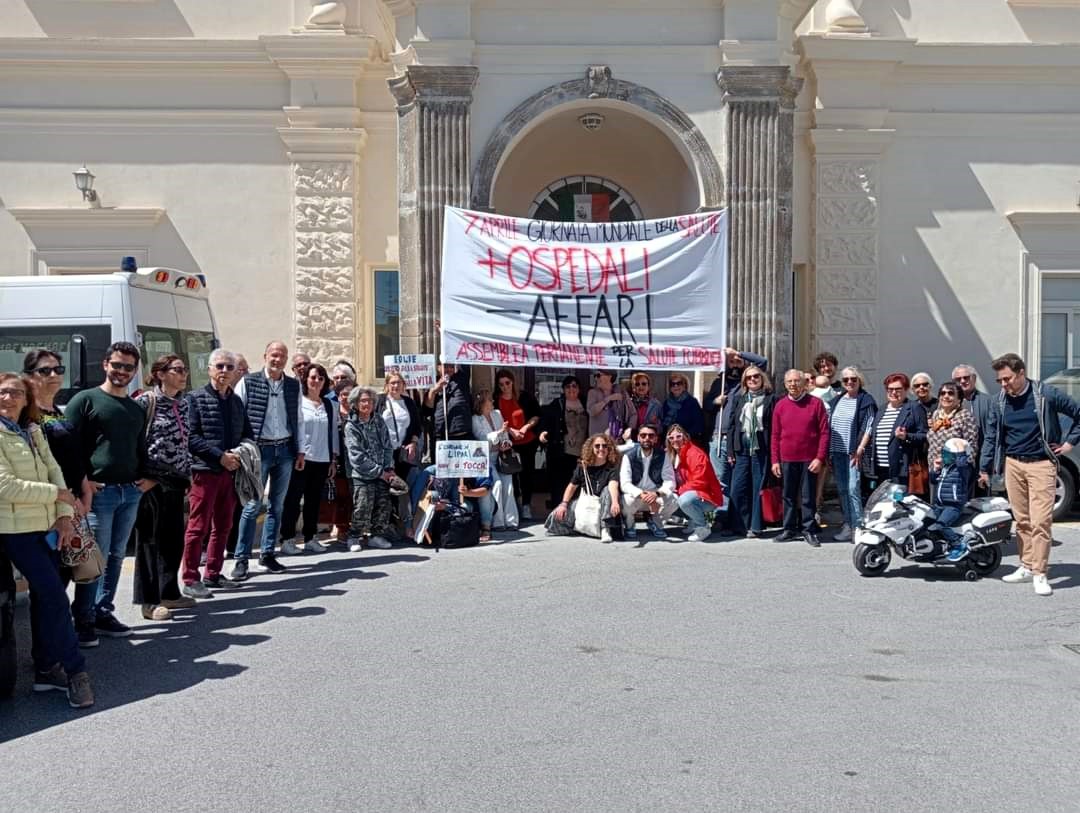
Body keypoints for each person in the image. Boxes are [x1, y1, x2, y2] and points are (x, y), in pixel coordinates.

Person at [0, 372, 94, 708]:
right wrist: (58, 495)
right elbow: (5, 486)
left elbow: (55, 470)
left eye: (15, 393)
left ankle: (45, 671)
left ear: (26, 399)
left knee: (48, 598)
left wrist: (64, 516)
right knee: (54, 596)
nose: (7, 399)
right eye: (2, 393)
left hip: (47, 526)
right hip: (15, 530)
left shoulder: (32, 430)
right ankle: (75, 671)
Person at [65, 341, 152, 646]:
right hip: (98, 495)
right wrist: (83, 483)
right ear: (105, 365)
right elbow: (69, 448)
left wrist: (148, 479)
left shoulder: (135, 408)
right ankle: (84, 618)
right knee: (94, 559)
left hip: (129, 493)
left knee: (115, 556)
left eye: (128, 367)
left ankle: (103, 611)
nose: (122, 371)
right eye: (117, 365)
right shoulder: (85, 400)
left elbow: (140, 448)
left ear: (135, 371)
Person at [980, 353, 1080, 596]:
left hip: (1042, 464)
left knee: (1041, 521)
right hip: (1013, 464)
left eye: (1007, 379)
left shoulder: (1045, 394)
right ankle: (1026, 566)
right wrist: (984, 467)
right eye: (1000, 381)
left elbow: (1078, 413)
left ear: (1021, 373)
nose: (1004, 384)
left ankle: (1040, 573)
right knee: (1022, 520)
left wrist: (1069, 444)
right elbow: (992, 436)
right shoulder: (999, 401)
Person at [231, 341, 305, 580]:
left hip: (284, 449)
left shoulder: (294, 386)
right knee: (252, 506)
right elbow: (236, 415)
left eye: (282, 356)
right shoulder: (248, 382)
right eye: (274, 355)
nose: (278, 359)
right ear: (265, 356)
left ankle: (267, 554)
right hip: (258, 450)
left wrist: (300, 451)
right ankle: (242, 559)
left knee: (277, 505)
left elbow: (299, 419)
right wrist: (239, 448)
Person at [184, 349, 251, 594]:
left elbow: (246, 433)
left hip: (230, 473)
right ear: (210, 369)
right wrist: (219, 456)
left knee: (223, 525)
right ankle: (191, 578)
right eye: (219, 366)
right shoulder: (194, 399)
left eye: (229, 367)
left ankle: (212, 573)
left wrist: (241, 455)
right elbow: (190, 438)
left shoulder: (235, 401)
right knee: (198, 526)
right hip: (205, 471)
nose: (224, 371)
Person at [133, 355, 194, 621]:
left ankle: (169, 591)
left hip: (176, 481)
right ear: (160, 373)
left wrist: (188, 476)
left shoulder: (182, 405)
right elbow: (134, 442)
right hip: (151, 482)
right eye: (177, 370)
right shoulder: (146, 402)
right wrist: (142, 477)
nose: (183, 375)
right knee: (150, 541)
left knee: (172, 539)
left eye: (184, 370)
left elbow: (185, 444)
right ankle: (149, 601)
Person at [280, 363, 338, 555]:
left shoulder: (329, 405)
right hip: (301, 459)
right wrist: (296, 452)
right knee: (293, 500)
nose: (316, 381)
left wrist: (333, 459)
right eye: (313, 377)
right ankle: (287, 539)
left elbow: (333, 434)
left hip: (322, 459)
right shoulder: (298, 402)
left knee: (313, 501)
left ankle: (310, 538)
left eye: (320, 378)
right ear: (305, 380)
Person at [771, 369, 829, 547]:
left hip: (809, 459)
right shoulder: (780, 405)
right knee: (788, 495)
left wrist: (819, 458)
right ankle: (789, 529)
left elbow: (824, 433)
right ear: (785, 384)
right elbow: (775, 435)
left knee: (807, 496)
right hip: (787, 458)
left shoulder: (816, 403)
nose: (793, 385)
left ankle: (808, 529)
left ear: (804, 383)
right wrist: (775, 460)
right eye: (789, 382)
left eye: (796, 381)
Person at [725, 366, 777, 538]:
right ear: (745, 382)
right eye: (749, 378)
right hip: (742, 449)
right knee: (737, 488)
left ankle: (755, 526)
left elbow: (775, 427)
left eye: (756, 376)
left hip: (761, 449)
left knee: (757, 487)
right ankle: (738, 526)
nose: (753, 380)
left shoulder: (771, 399)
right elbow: (732, 425)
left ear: (762, 379)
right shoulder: (740, 399)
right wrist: (731, 450)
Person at [826, 366, 876, 542]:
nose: (849, 382)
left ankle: (859, 527)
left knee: (853, 488)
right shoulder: (837, 400)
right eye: (846, 380)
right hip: (837, 452)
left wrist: (860, 449)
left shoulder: (865, 400)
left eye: (853, 379)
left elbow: (869, 426)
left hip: (853, 452)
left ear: (859, 380)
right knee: (842, 489)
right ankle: (848, 524)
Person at [344, 387, 396, 551]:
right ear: (355, 404)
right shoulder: (351, 426)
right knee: (362, 506)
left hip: (383, 472)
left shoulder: (379, 420)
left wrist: (388, 468)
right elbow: (356, 457)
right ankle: (354, 537)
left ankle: (376, 536)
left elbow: (388, 446)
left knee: (383, 505)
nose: (367, 404)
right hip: (362, 475)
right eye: (363, 401)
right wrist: (379, 472)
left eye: (370, 401)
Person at [545, 433, 622, 542]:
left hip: (606, 504)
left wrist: (615, 502)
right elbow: (572, 486)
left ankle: (605, 529)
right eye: (597, 446)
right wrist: (563, 504)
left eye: (605, 446)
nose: (601, 449)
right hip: (587, 500)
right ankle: (582, 529)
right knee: (557, 515)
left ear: (609, 449)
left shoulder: (612, 467)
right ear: (591, 448)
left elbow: (613, 485)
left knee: (607, 491)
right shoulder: (583, 466)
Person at [865, 373, 928, 493]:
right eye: (890, 389)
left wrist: (906, 436)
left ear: (906, 390)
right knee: (883, 504)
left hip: (901, 469)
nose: (893, 392)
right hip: (880, 469)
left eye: (898, 389)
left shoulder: (914, 408)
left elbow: (924, 435)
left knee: (899, 506)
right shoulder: (881, 409)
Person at [664, 423, 724, 542]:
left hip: (708, 497)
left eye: (678, 436)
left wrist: (678, 492)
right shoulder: (674, 455)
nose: (675, 440)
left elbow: (699, 482)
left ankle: (702, 527)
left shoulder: (695, 453)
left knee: (683, 500)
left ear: (685, 436)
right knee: (669, 497)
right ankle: (692, 520)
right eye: (671, 438)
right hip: (692, 493)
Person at [494, 369, 541, 520]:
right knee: (512, 475)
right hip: (509, 442)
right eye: (501, 384)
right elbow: (496, 419)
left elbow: (536, 415)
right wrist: (512, 431)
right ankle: (514, 505)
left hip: (527, 440)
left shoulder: (524, 397)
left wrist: (525, 428)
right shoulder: (496, 400)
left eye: (507, 383)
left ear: (512, 382)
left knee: (527, 474)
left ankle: (526, 505)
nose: (504, 387)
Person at [472, 388, 518, 536]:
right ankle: (497, 522)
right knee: (497, 485)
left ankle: (511, 521)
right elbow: (481, 439)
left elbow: (504, 435)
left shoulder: (497, 414)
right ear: (482, 403)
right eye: (489, 400)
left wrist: (505, 443)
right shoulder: (475, 419)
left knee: (508, 485)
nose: (492, 402)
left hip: (501, 456)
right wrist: (498, 433)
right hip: (487, 459)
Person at [538, 376, 589, 510]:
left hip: (582, 452)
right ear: (563, 389)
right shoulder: (558, 403)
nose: (571, 389)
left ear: (579, 389)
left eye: (574, 386)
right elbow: (546, 420)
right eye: (568, 387)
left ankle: (576, 516)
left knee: (578, 485)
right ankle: (558, 515)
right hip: (561, 451)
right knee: (559, 484)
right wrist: (543, 432)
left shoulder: (586, 402)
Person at [619, 423, 676, 540]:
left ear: (656, 439)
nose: (647, 439)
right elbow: (625, 483)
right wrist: (641, 494)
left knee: (674, 499)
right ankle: (630, 525)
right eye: (643, 435)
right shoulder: (629, 456)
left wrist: (657, 494)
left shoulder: (663, 456)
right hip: (637, 495)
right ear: (638, 438)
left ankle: (656, 523)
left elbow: (670, 481)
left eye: (651, 436)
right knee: (625, 500)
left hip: (655, 495)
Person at [931, 437, 978, 561]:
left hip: (953, 506)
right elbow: (933, 481)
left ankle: (959, 545)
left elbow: (962, 463)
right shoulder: (945, 468)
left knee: (941, 525)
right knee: (927, 523)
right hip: (939, 504)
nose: (944, 457)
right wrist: (935, 469)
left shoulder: (964, 469)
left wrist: (960, 448)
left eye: (948, 454)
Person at [927, 381, 980, 480]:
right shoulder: (936, 415)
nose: (946, 396)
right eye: (943, 393)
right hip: (935, 470)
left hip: (956, 473)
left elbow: (971, 447)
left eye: (951, 393)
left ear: (959, 399)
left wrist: (960, 466)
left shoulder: (965, 415)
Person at [376, 371, 421, 481]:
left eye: (399, 382)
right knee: (385, 486)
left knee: (401, 485)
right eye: (392, 383)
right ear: (387, 385)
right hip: (384, 453)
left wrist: (413, 443)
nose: (396, 385)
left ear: (403, 385)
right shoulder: (379, 400)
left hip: (402, 453)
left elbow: (417, 426)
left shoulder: (409, 402)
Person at [427, 363, 472, 442]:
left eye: (451, 366)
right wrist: (434, 391)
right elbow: (426, 410)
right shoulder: (432, 382)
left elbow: (463, 359)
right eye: (445, 366)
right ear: (438, 367)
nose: (449, 369)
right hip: (441, 437)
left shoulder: (461, 379)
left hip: (462, 435)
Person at [587, 370, 636, 441]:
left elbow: (633, 413)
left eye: (598, 376)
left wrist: (630, 429)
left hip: (617, 440)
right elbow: (591, 411)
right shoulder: (592, 393)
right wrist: (609, 398)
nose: (596, 379)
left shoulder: (621, 391)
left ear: (609, 376)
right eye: (595, 376)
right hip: (598, 442)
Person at [909, 372, 937, 498]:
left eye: (925, 384)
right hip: (919, 455)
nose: (921, 388)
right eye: (917, 386)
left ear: (930, 386)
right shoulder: (911, 407)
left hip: (936, 453)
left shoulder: (940, 404)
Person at [662, 373, 705, 445]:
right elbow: (663, 424)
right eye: (673, 384)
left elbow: (699, 424)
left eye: (679, 383)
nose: (676, 386)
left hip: (687, 442)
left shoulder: (692, 402)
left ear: (684, 386)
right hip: (670, 443)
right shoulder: (666, 403)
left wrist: (684, 436)